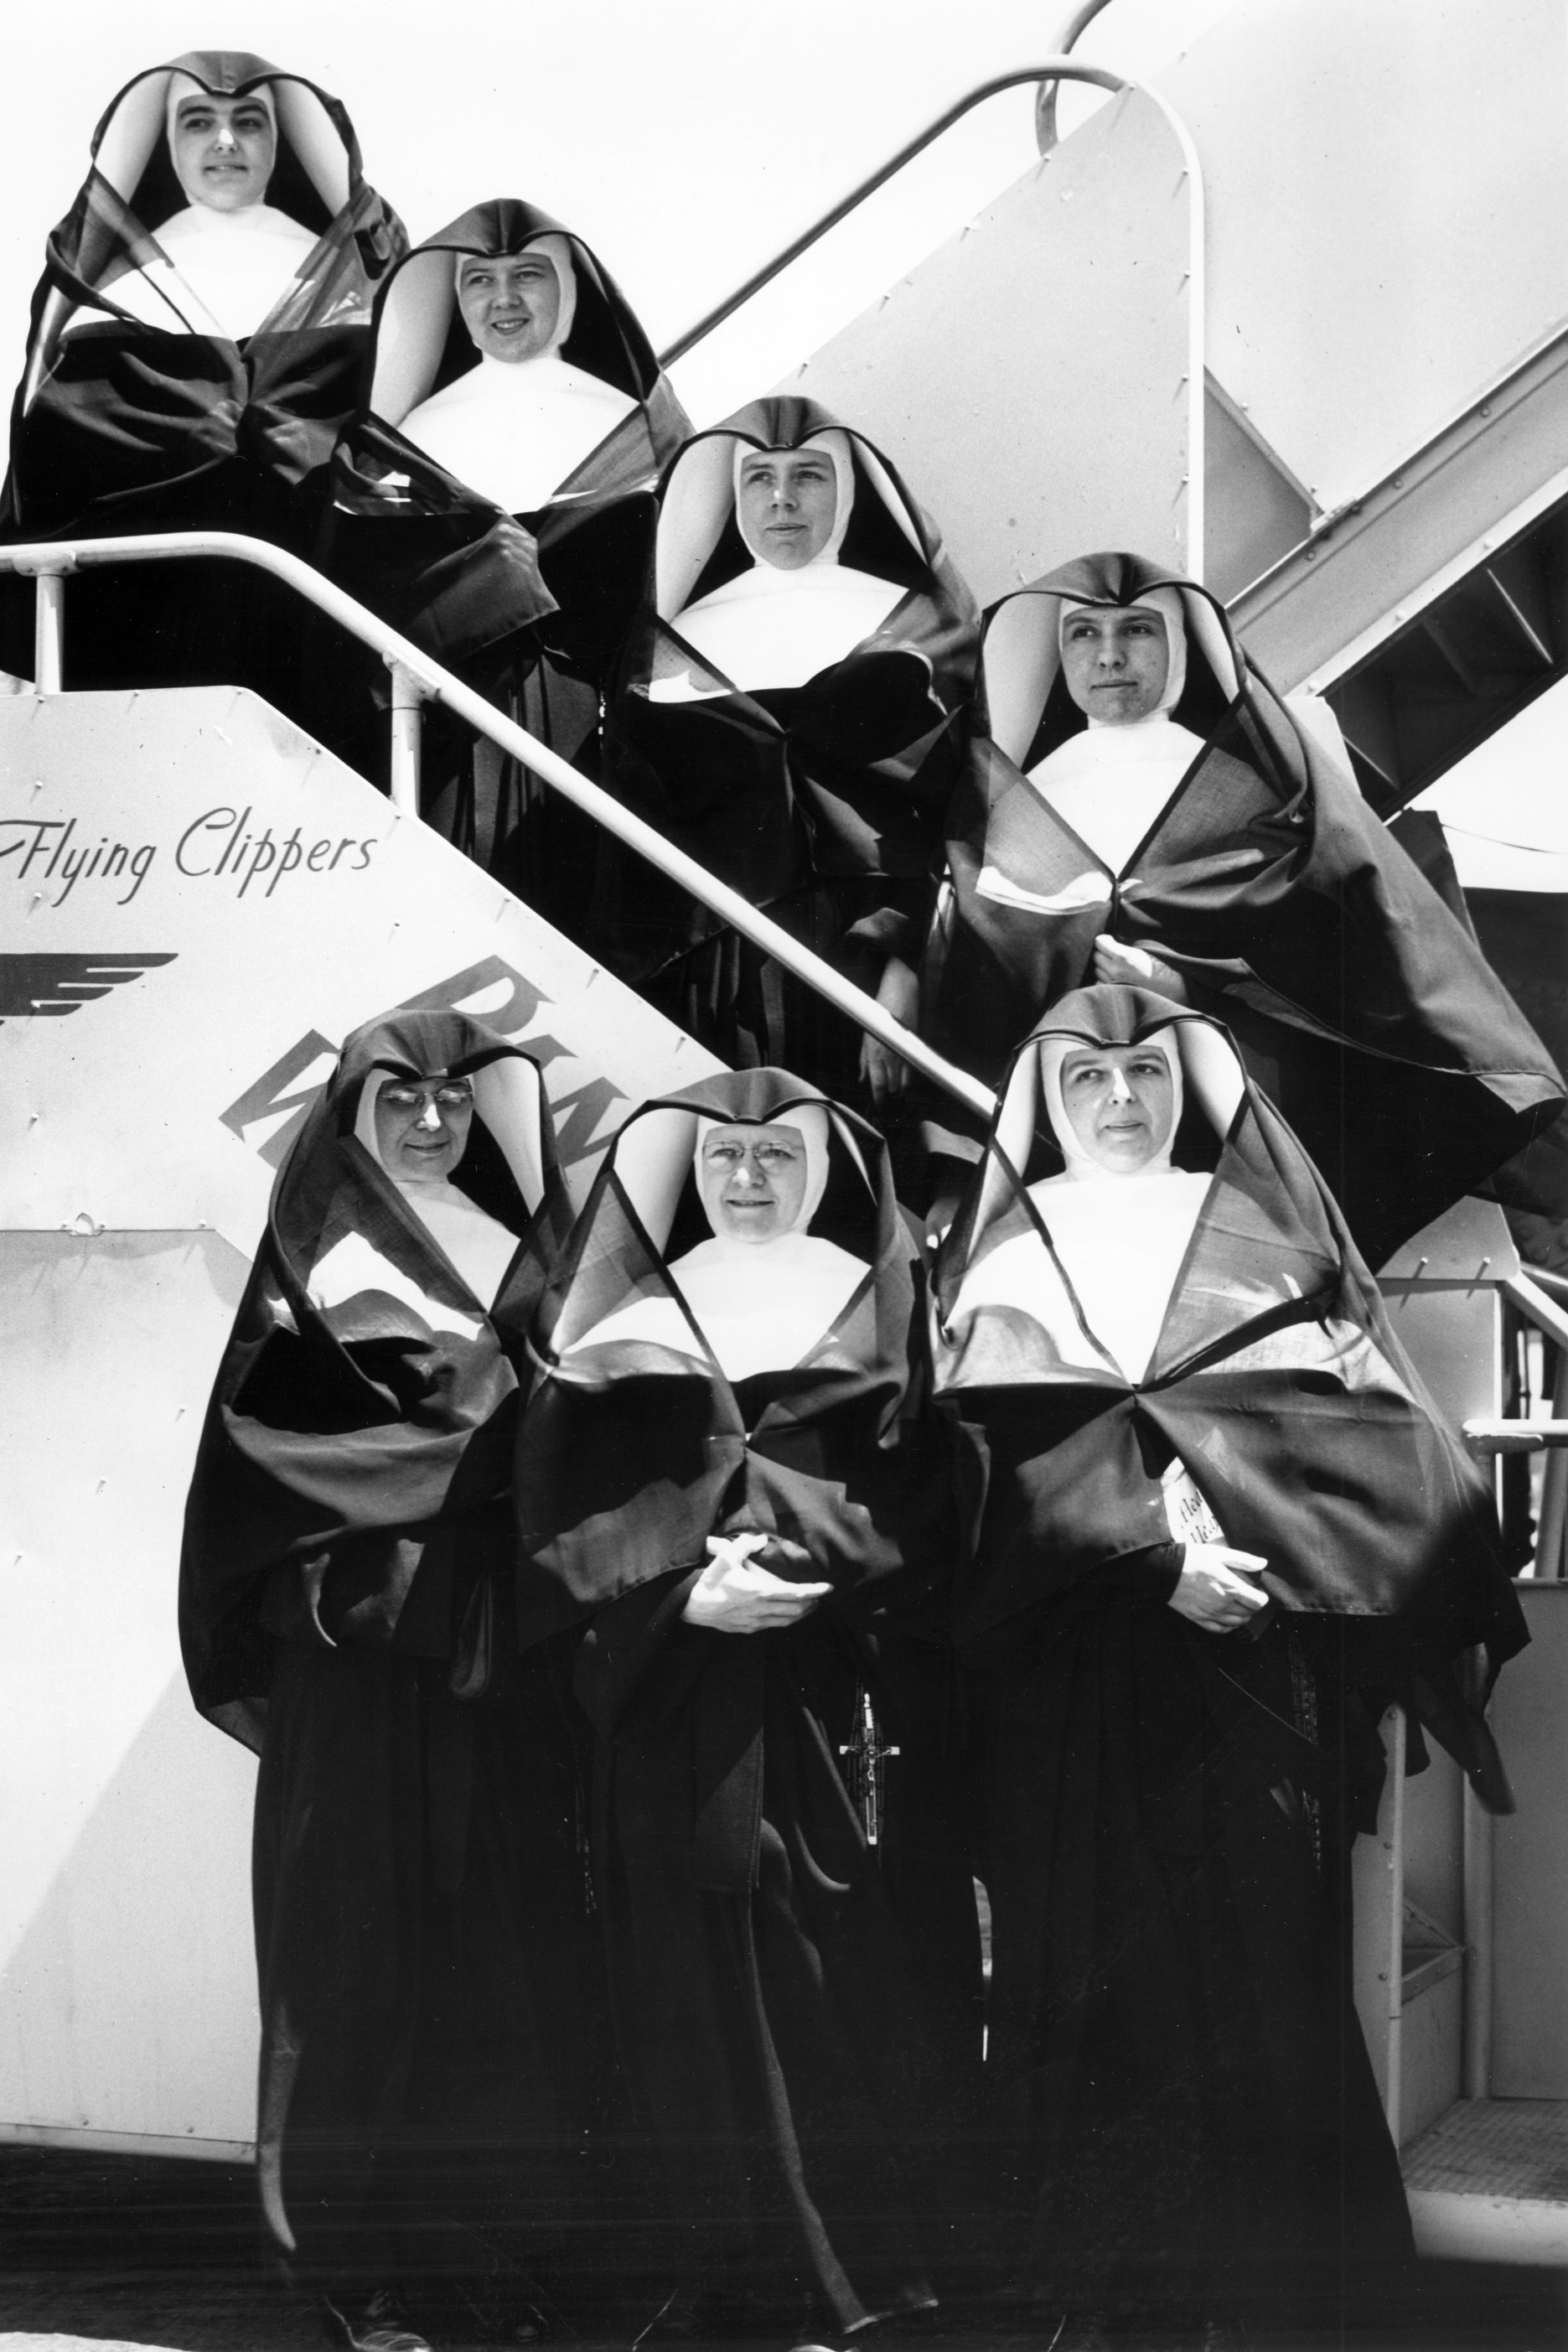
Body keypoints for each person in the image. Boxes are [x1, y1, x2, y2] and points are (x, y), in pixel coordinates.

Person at [931, 982, 1529, 2343]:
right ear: (1046, 1103)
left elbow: (1366, 1457)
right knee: (1088, 1984)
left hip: (1258, 1677)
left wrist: (1252, 1540)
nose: (1122, 1102)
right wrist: (1150, 1558)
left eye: (1148, 1075)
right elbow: (966, 1506)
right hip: (1072, 1694)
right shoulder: (993, 1274)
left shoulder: (1261, 1250)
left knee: (1267, 1986)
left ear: (1193, 1091)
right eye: (1087, 1079)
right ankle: (1108, 2300)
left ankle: (1279, 2300)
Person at [515, 1070, 980, 2349]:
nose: (751, 1177)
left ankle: (871, 2274)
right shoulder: (622, 1318)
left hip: (840, 1698)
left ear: (824, 1169)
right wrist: (677, 1600)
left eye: (780, 1152)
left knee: (845, 1977)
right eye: (723, 1154)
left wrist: (805, 1567)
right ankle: (716, 2276)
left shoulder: (875, 1305)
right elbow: (560, 1530)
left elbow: (935, 1500)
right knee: (687, 1988)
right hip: (674, 1705)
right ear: (684, 1171)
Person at [179, 1013, 595, 2350]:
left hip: (488, 1657)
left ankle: (486, 2258)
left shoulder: (534, 1257)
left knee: (499, 1960)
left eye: (454, 1099)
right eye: (399, 1097)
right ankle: (347, 2279)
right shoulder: (314, 1268)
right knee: (346, 1972)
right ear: (353, 1114)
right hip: (356, 1663)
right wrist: (459, 1461)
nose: (429, 1121)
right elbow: (261, 1460)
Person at [888, 551, 1563, 1263]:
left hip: (1236, 1130)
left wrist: (1183, 988)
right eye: (1083, 634)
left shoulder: (1259, 790)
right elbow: (972, 979)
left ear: (1182, 647)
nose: (1110, 657)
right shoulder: (1010, 804)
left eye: (1138, 632)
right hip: (1061, 1145)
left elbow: (1351, 959)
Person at [0, 52, 404, 708]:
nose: (225, 141)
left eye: (249, 122)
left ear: (279, 144)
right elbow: (44, 482)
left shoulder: (361, 297)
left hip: (312, 635)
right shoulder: (106, 298)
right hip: (141, 632)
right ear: (166, 143)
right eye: (198, 121)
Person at [322, 199, 690, 945]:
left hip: (603, 736)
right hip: (456, 739)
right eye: (478, 282)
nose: (505, 300)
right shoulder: (408, 439)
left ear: (571, 292)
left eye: (529, 275)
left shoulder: (642, 431)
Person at [603, 400, 978, 1121]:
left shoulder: (922, 626)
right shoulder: (673, 640)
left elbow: (968, 813)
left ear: (848, 492)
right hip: (721, 958)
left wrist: (906, 961)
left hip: (867, 951)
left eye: (808, 475)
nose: (782, 498)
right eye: (758, 479)